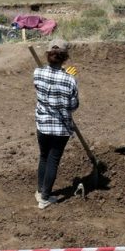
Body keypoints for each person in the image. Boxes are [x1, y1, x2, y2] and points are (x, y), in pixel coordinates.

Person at [33, 39, 79, 210]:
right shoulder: (70, 80)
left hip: (43, 124)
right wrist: (68, 76)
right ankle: (45, 198)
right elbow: (73, 106)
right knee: (53, 160)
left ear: (48, 55)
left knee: (44, 157)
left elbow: (40, 88)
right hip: (61, 128)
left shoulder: (37, 73)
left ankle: (39, 191)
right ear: (65, 57)